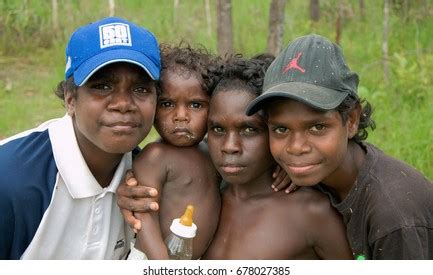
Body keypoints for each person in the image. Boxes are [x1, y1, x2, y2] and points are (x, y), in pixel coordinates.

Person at [245, 34, 433, 259]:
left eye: (317, 127)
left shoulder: (394, 216)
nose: (296, 147)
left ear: (352, 119)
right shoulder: (321, 171)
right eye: (281, 130)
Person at [0, 16, 161, 259]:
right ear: (70, 98)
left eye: (140, 89)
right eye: (102, 86)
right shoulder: (11, 179)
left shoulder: (147, 183)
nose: (123, 104)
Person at [200, 57, 352, 259]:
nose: (229, 147)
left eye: (249, 129)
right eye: (217, 129)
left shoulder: (312, 213)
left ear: (277, 130)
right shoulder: (203, 189)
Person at [130, 44, 221, 260]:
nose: (181, 116)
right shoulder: (155, 157)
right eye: (167, 104)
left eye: (196, 105)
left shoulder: (213, 150)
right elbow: (145, 220)